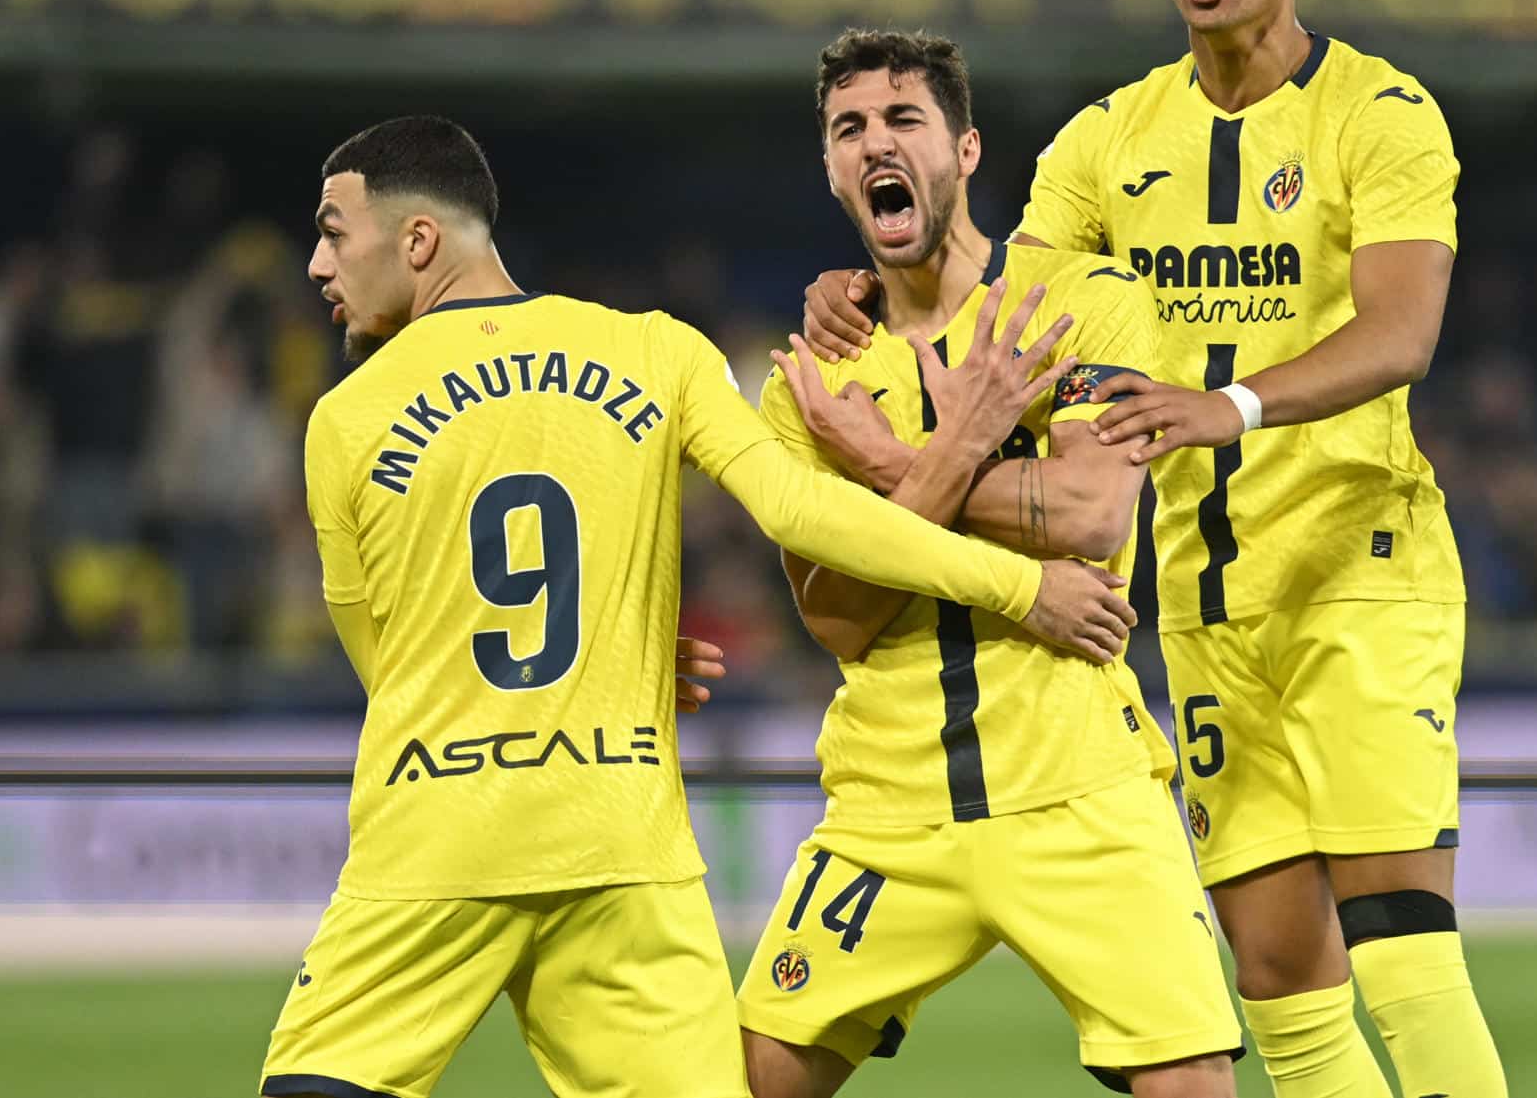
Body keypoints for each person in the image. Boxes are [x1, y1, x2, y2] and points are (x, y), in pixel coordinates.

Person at [798, 0, 1507, 1098]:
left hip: (1358, 569)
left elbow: (1402, 334)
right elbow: (1001, 296)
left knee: (1400, 945)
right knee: (1281, 978)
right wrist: (863, 280)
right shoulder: (1107, 139)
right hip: (1198, 597)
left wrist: (1226, 406)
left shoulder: (1380, 113)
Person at [257, 115, 1138, 1098]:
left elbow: (392, 670)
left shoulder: (346, 418)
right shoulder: (654, 350)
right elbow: (803, 510)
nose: (317, 265)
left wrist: (562, 676)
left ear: (418, 239)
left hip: (433, 849)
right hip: (623, 852)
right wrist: (1022, 585)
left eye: (333, 233)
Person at [737, 30, 1241, 1098]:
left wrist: (889, 468)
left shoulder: (1082, 300)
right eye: (850, 129)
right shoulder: (808, 384)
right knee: (753, 1079)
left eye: (904, 119)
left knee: (1190, 1083)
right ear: (831, 169)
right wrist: (964, 445)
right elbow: (838, 617)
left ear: (965, 150)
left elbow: (1092, 513)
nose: (877, 142)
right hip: (889, 803)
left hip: (1080, 786)